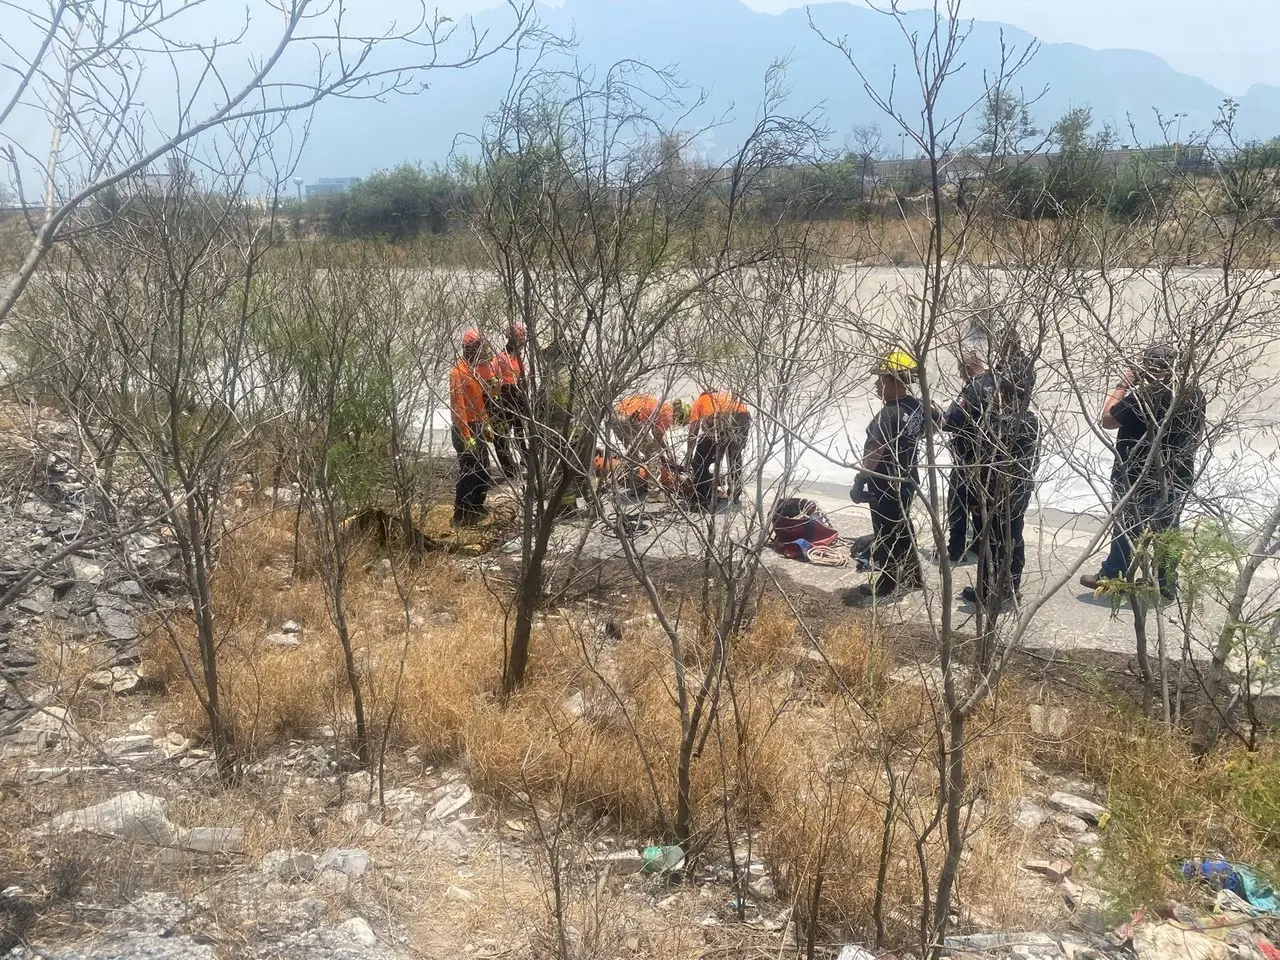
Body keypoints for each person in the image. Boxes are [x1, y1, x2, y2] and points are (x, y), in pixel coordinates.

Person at [1080, 343, 1206, 599]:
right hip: (1176, 473)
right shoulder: (1194, 394)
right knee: (1168, 530)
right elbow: (1197, 434)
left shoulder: (1144, 396)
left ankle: (1113, 575)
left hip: (1136, 475)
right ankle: (1166, 583)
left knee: (1127, 528)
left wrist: (1123, 385)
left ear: (1146, 368)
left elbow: (1106, 420)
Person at [846, 350, 927, 604]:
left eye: (881, 380)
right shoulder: (915, 408)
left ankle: (887, 584)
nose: (877, 385)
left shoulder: (887, 415)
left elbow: (874, 453)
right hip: (908, 480)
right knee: (903, 526)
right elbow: (936, 424)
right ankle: (913, 575)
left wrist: (860, 481)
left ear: (893, 382)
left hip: (885, 484)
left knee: (886, 531)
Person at [961, 374, 1040, 608]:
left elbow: (985, 464)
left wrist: (974, 497)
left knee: (992, 542)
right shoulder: (1030, 420)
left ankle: (987, 590)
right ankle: (1010, 586)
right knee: (1014, 536)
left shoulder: (997, 424)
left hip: (996, 492)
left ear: (1006, 395)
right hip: (1020, 489)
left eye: (998, 392)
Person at [941, 349, 995, 563]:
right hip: (990, 457)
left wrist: (940, 416)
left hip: (968, 455)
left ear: (969, 368)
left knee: (957, 501)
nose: (960, 376)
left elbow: (953, 420)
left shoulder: (972, 389)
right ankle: (980, 544)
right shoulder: (995, 381)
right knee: (980, 501)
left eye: (961, 371)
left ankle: (955, 549)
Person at [450, 329, 494, 526]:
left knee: (483, 469)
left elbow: (479, 403)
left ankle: (476, 507)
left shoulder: (475, 371)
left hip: (477, 425)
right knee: (469, 471)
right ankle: (461, 514)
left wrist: (486, 424)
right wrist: (466, 435)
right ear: (470, 349)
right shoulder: (458, 373)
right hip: (464, 428)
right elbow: (459, 407)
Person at [687, 390, 751, 509]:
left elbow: (693, 431)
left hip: (718, 417)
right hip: (743, 416)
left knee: (699, 462)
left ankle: (701, 498)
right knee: (735, 456)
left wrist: (689, 455)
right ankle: (735, 493)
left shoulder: (699, 401)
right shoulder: (727, 395)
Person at [491, 322, 529, 476]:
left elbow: (522, 380)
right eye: (520, 340)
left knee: (520, 434)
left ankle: (524, 462)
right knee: (502, 437)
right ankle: (510, 468)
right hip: (505, 397)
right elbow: (495, 381)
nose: (522, 344)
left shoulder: (519, 358)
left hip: (517, 397)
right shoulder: (501, 358)